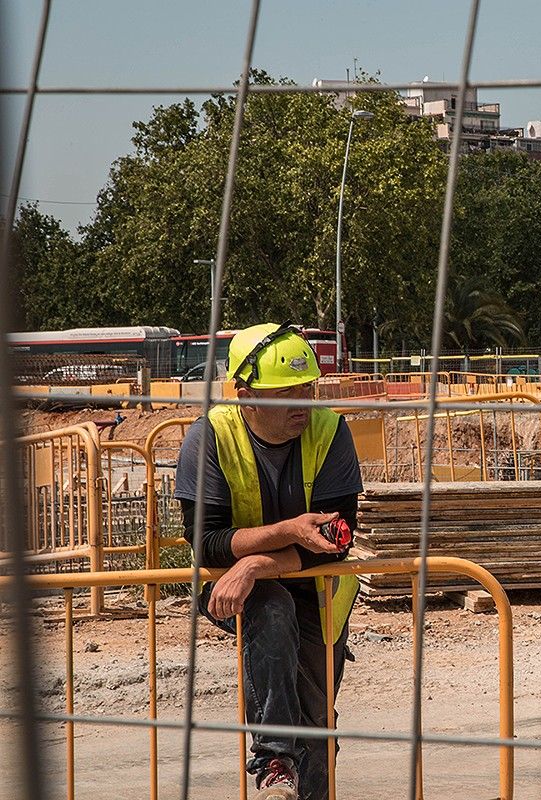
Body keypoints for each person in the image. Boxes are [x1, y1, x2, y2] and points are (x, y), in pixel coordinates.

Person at [175, 323, 363, 800]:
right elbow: (208, 542)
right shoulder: (209, 438)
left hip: (320, 592)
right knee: (272, 609)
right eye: (287, 392)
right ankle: (274, 761)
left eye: (308, 387)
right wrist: (282, 537)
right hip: (235, 590)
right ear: (245, 396)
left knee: (318, 721)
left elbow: (335, 541)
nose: (303, 402)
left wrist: (256, 562)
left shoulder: (330, 431)